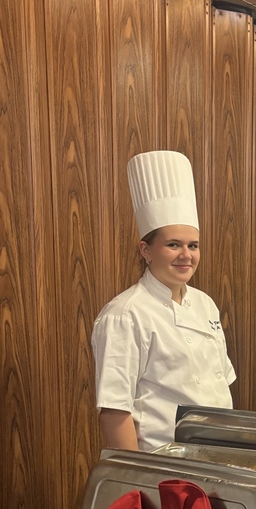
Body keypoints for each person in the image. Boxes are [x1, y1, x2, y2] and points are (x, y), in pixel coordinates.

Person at [92, 150, 236, 452]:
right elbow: (116, 411)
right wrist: (137, 481)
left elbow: (221, 385)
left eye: (193, 245)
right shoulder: (124, 315)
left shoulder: (205, 304)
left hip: (220, 458)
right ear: (146, 250)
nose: (187, 255)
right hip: (165, 471)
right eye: (173, 245)